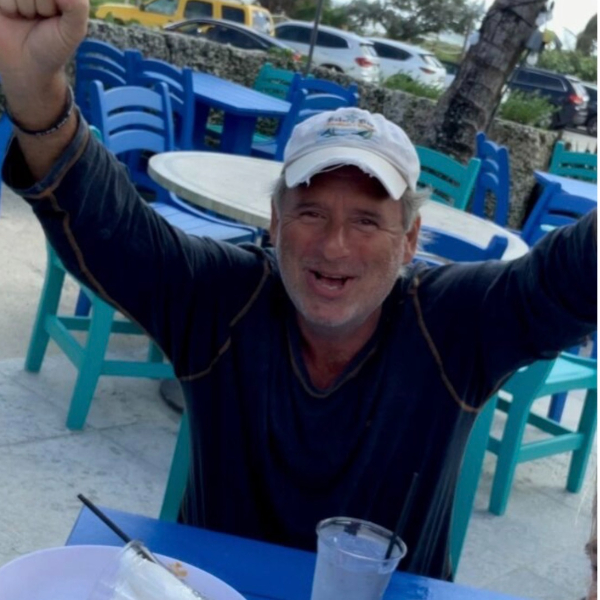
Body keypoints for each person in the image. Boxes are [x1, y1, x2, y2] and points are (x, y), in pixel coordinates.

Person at [0, 0, 596, 582]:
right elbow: (112, 228)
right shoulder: (221, 298)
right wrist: (34, 89)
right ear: (275, 224)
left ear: (409, 240)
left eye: (367, 220)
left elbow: (565, 277)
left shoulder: (454, 325)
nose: (335, 246)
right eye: (310, 213)